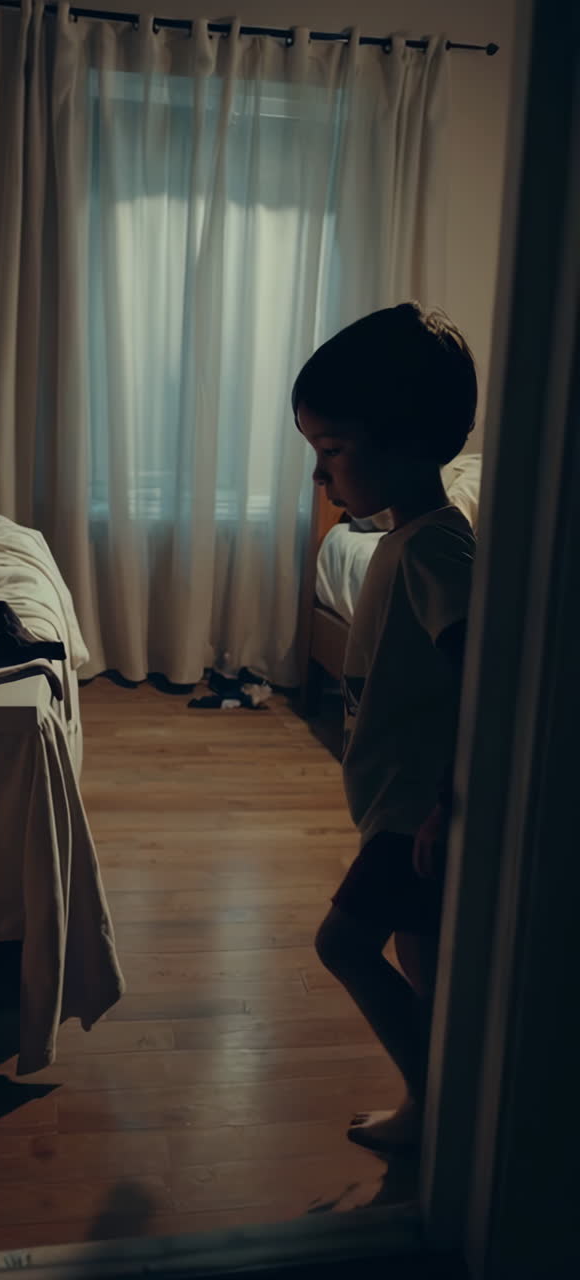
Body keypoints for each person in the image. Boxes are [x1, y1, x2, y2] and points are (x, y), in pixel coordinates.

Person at [293, 301, 477, 1151]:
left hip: (413, 816)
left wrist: (448, 801)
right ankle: (434, 1104)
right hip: (394, 805)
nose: (322, 475)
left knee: (345, 942)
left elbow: (484, 678)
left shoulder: (439, 548)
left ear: (404, 440)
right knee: (419, 959)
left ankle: (441, 1104)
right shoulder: (400, 542)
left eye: (332, 451)